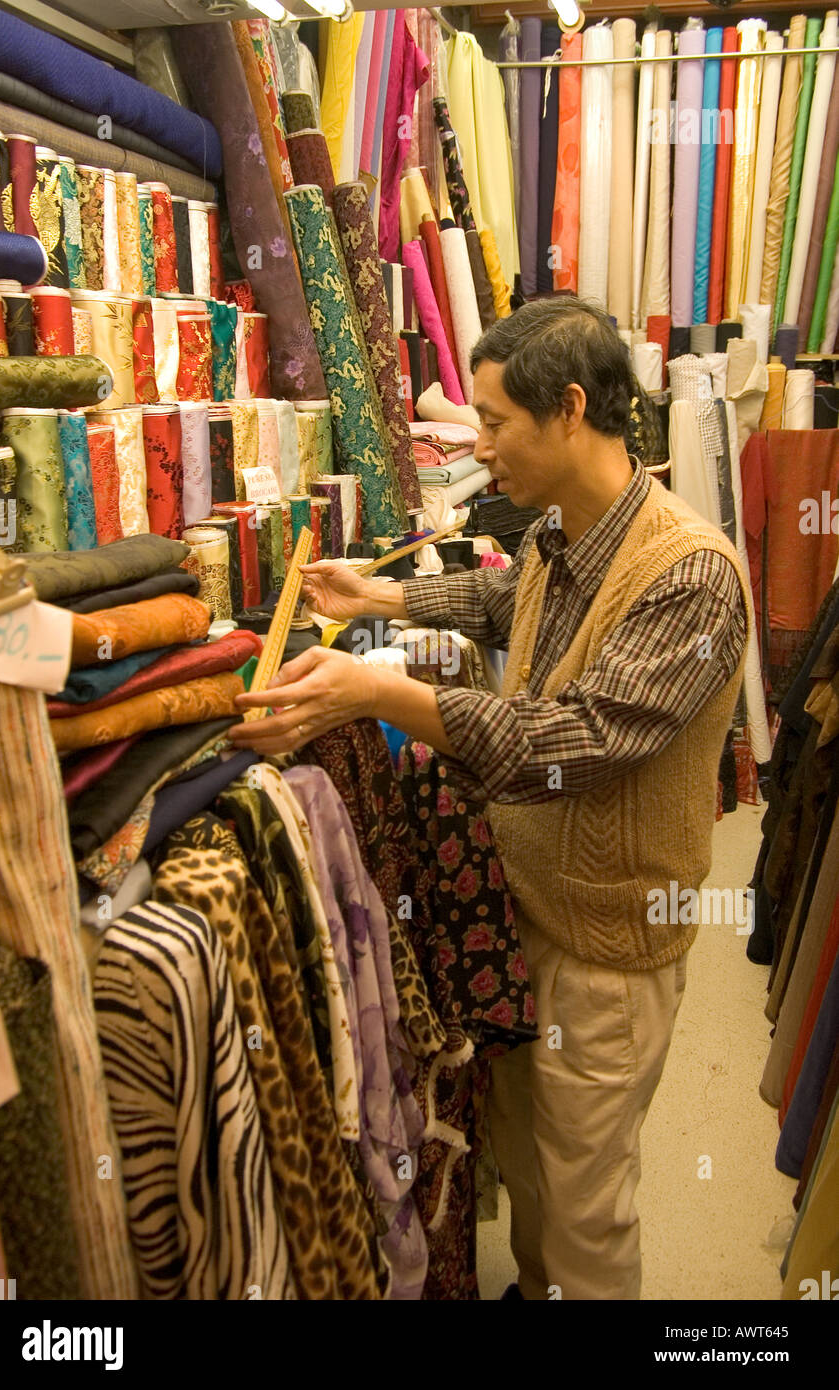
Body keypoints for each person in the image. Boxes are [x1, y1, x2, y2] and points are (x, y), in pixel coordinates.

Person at [230, 295, 751, 1300]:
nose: (480, 444)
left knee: (585, 1201)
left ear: (568, 409)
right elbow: (507, 597)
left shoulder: (690, 576)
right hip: (531, 913)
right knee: (536, 1160)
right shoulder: (578, 532)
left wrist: (385, 690)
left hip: (607, 943)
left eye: (495, 423)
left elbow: (576, 741)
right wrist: (374, 596)